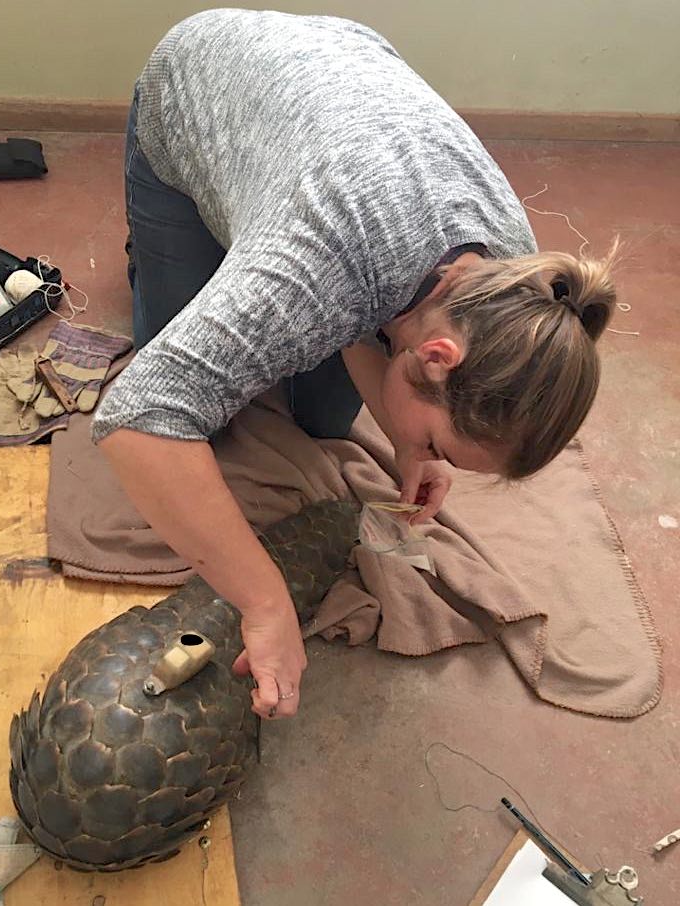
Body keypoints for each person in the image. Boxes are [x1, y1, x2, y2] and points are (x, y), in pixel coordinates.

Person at [92, 9, 617, 722]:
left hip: (340, 106)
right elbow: (135, 418)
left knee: (320, 419)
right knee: (195, 407)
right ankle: (172, 259)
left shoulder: (520, 281)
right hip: (201, 85)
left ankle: (236, 267)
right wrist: (263, 599)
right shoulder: (320, 261)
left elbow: (380, 306)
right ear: (435, 357)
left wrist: (409, 443)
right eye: (440, 445)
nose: (437, 464)